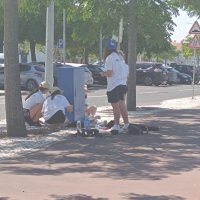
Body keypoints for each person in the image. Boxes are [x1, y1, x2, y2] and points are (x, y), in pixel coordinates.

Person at [100, 38, 129, 133]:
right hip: (123, 84)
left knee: (115, 107)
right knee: (122, 104)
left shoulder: (109, 58)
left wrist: (102, 74)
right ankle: (126, 124)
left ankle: (116, 125)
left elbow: (109, 73)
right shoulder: (120, 57)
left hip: (113, 85)